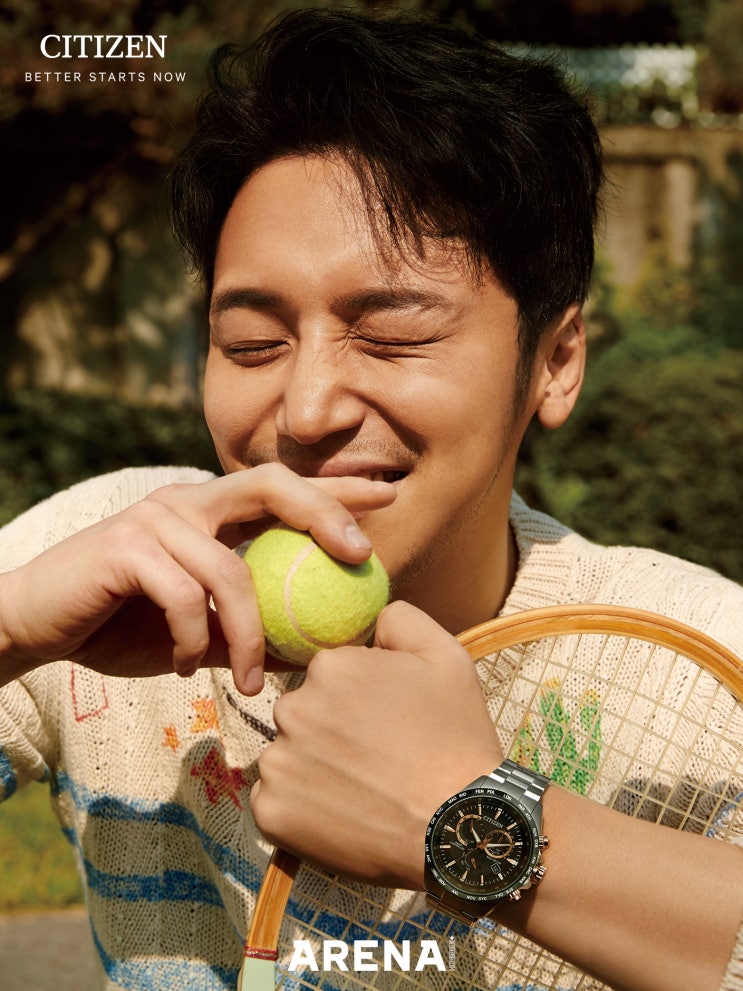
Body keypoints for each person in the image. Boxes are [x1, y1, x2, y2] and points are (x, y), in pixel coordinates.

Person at [1, 7, 742, 991]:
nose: (305, 411)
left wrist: (466, 814)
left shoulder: (700, 672)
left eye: (392, 335)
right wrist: (12, 628)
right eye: (252, 344)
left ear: (555, 360)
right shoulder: (112, 562)